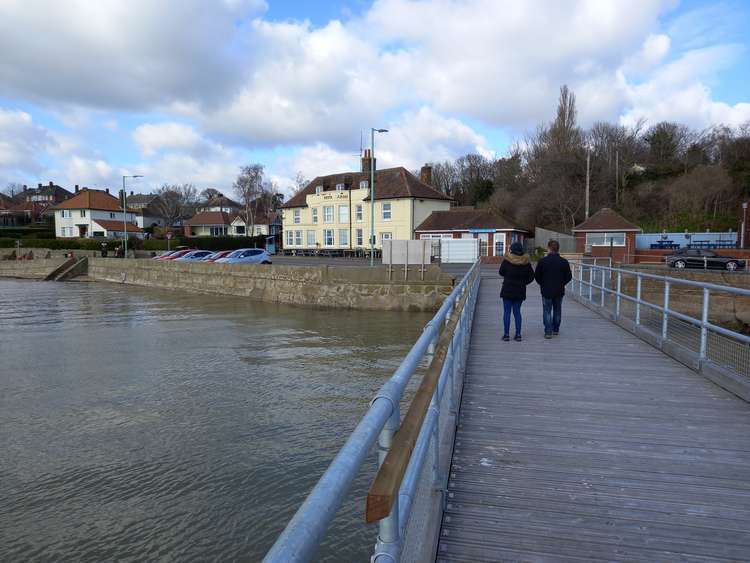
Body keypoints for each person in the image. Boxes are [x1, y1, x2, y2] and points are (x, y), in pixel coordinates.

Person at [534, 239, 573, 339]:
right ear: (558, 249)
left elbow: (537, 276)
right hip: (559, 290)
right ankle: (556, 329)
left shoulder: (542, 261)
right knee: (557, 310)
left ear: (549, 248)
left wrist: (542, 284)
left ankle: (548, 331)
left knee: (547, 311)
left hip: (546, 290)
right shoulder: (564, 262)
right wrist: (561, 283)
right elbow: (569, 277)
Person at [499, 241, 535, 342]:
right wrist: (524, 283)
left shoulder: (507, 261)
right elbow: (531, 277)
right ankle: (518, 334)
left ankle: (506, 335)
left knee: (507, 312)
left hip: (507, 289)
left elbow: (501, 272)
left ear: (512, 250)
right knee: (517, 312)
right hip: (520, 290)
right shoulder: (526, 262)